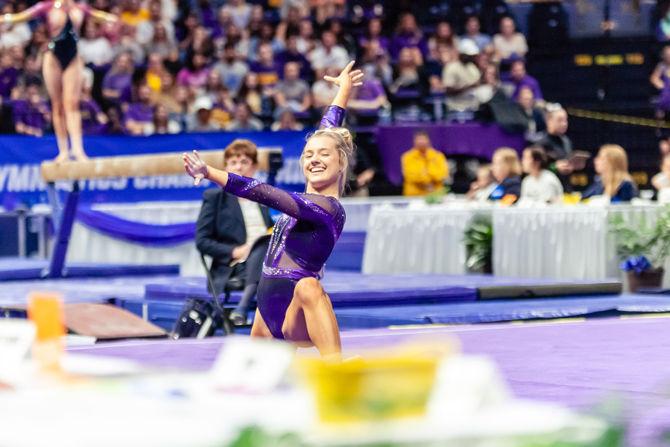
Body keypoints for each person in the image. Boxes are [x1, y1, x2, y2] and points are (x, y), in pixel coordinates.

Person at [184, 61, 363, 360]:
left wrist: (211, 172)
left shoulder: (327, 209)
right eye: (308, 155)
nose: (314, 159)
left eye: (323, 155)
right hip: (266, 312)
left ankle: (336, 367)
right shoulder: (312, 192)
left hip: (297, 312)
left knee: (308, 286)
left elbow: (266, 193)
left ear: (341, 163)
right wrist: (343, 90)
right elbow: (328, 130)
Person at [0, 0, 117, 161]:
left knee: (72, 104)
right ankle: (63, 151)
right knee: (57, 105)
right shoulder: (46, 7)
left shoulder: (80, 8)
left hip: (73, 58)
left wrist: (112, 19)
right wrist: (5, 19)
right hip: (53, 58)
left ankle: (77, 149)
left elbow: (101, 16)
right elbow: (19, 17)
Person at [195, 139, 275, 326]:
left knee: (267, 244)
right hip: (234, 265)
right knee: (263, 251)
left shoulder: (264, 196)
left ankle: (244, 305)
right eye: (233, 163)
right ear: (225, 167)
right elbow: (202, 241)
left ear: (254, 167)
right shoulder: (215, 198)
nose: (239, 168)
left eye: (244, 162)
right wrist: (235, 251)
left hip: (263, 260)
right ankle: (244, 305)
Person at [401, 131, 449, 196]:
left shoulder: (438, 156)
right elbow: (409, 176)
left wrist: (426, 173)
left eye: (423, 139)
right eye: (419, 139)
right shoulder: (407, 157)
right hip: (414, 194)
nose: (421, 142)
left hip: (436, 194)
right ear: (414, 142)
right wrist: (426, 181)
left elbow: (443, 175)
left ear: (428, 141)